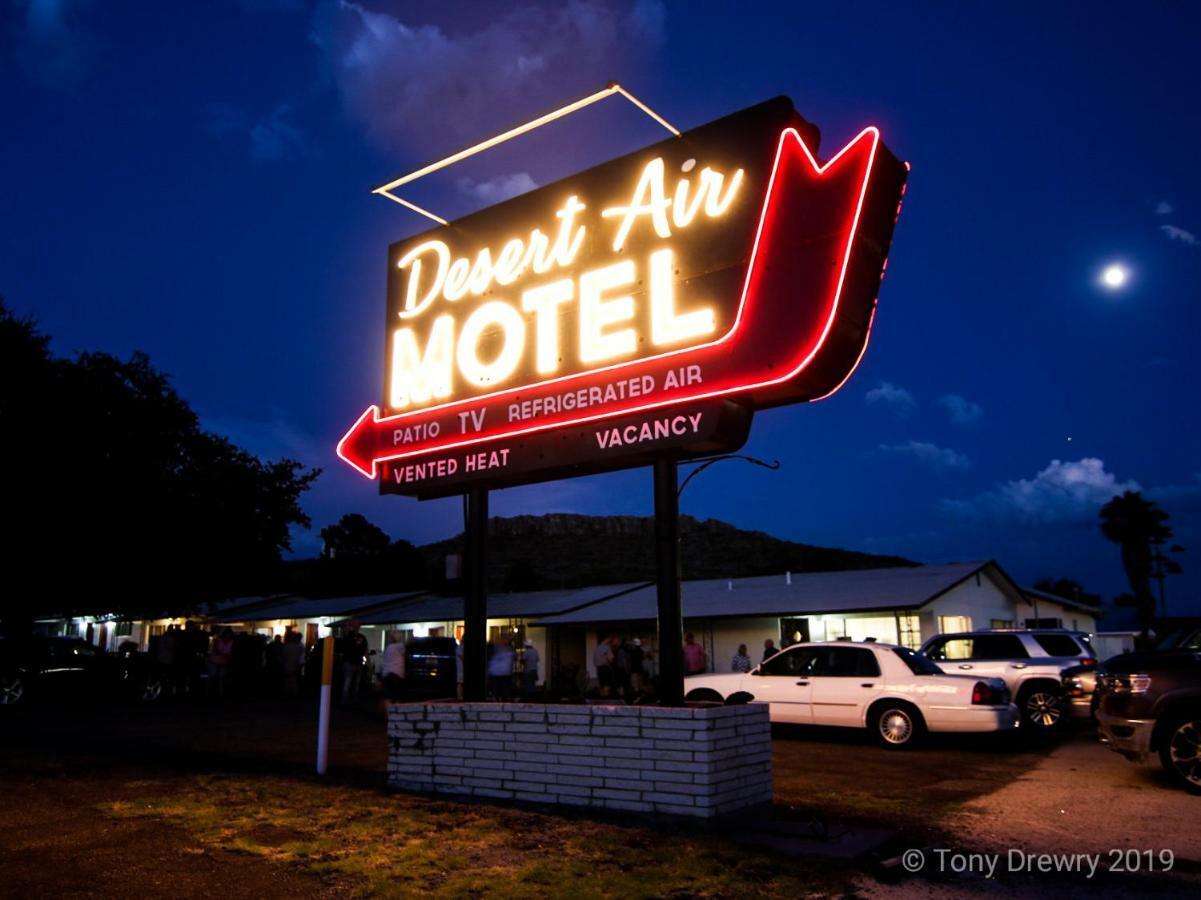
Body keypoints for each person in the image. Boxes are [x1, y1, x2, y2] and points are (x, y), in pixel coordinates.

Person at [337, 620, 369, 705]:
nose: (356, 627)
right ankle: (345, 701)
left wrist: (366, 661)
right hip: (350, 663)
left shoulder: (361, 637)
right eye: (355, 625)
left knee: (355, 683)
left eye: (357, 625)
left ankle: (352, 700)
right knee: (348, 683)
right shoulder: (349, 636)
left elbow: (365, 650)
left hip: (356, 663)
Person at [206, 627, 234, 698]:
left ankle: (219, 694)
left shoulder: (231, 642)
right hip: (214, 661)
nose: (228, 635)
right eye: (227, 634)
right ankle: (211, 693)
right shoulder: (218, 640)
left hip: (223, 662)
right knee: (213, 678)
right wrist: (225, 655)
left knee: (221, 679)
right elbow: (214, 650)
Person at [381, 630, 406, 701]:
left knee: (388, 697)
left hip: (386, 674)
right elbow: (408, 644)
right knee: (395, 697)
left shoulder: (388, 647)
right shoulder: (398, 646)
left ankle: (386, 710)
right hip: (395, 675)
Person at [279, 630, 305, 698]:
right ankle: (293, 695)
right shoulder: (298, 647)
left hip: (287, 666)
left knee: (288, 682)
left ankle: (288, 695)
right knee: (293, 682)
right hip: (295, 666)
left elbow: (282, 657)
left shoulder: (284, 647)